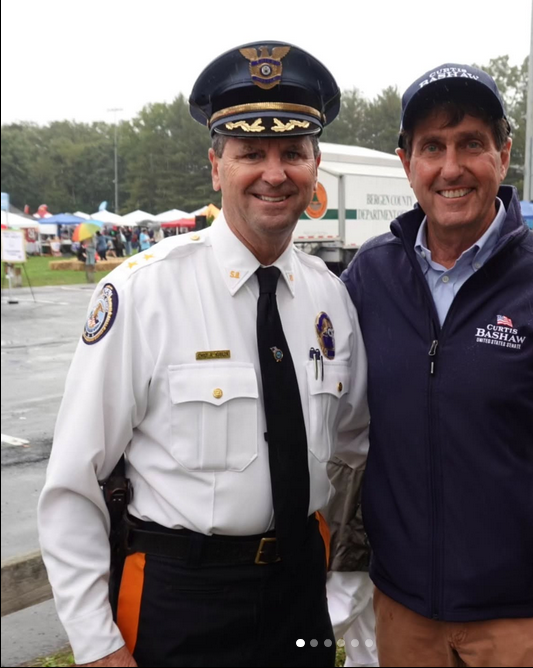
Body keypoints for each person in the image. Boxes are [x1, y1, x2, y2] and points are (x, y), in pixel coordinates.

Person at [37, 41, 367, 667]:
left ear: (315, 166)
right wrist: (98, 644)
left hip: (300, 595)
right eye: (251, 153)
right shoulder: (142, 293)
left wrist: (342, 592)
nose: (275, 173)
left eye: (293, 153)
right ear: (217, 167)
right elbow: (75, 481)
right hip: (183, 602)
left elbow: (354, 453)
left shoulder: (331, 299)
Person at [340, 62, 533, 667]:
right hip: (402, 614)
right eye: (432, 147)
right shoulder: (369, 277)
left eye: (471, 144)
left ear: (503, 155)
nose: (451, 167)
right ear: (406, 163)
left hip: (527, 621)